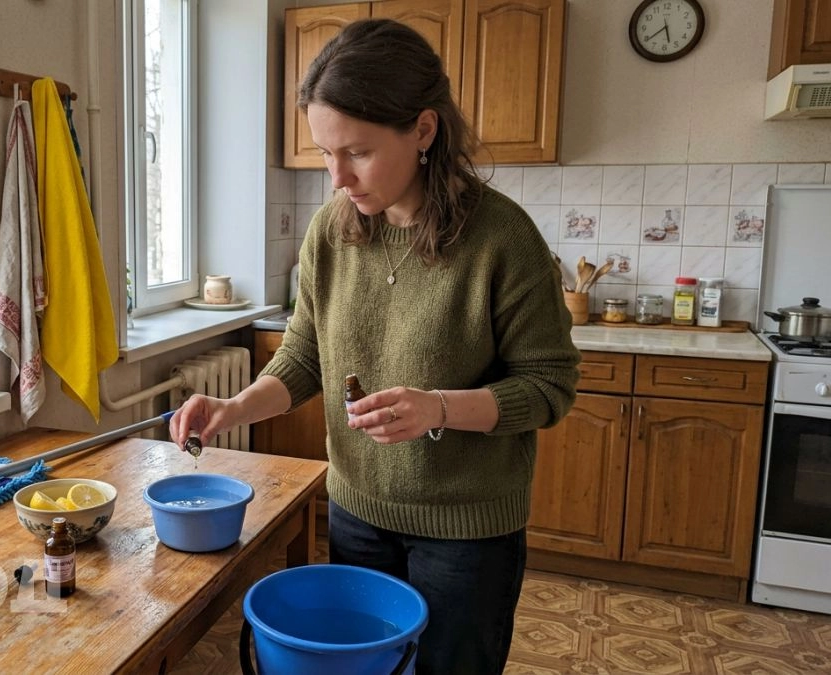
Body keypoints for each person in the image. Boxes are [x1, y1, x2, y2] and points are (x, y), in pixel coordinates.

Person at [169, 18, 579, 674]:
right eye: (326, 152)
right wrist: (231, 409)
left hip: (468, 532)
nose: (337, 177)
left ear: (423, 130)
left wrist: (438, 408)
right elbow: (305, 356)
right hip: (358, 511)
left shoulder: (503, 238)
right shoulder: (331, 233)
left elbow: (550, 386)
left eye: (355, 152)